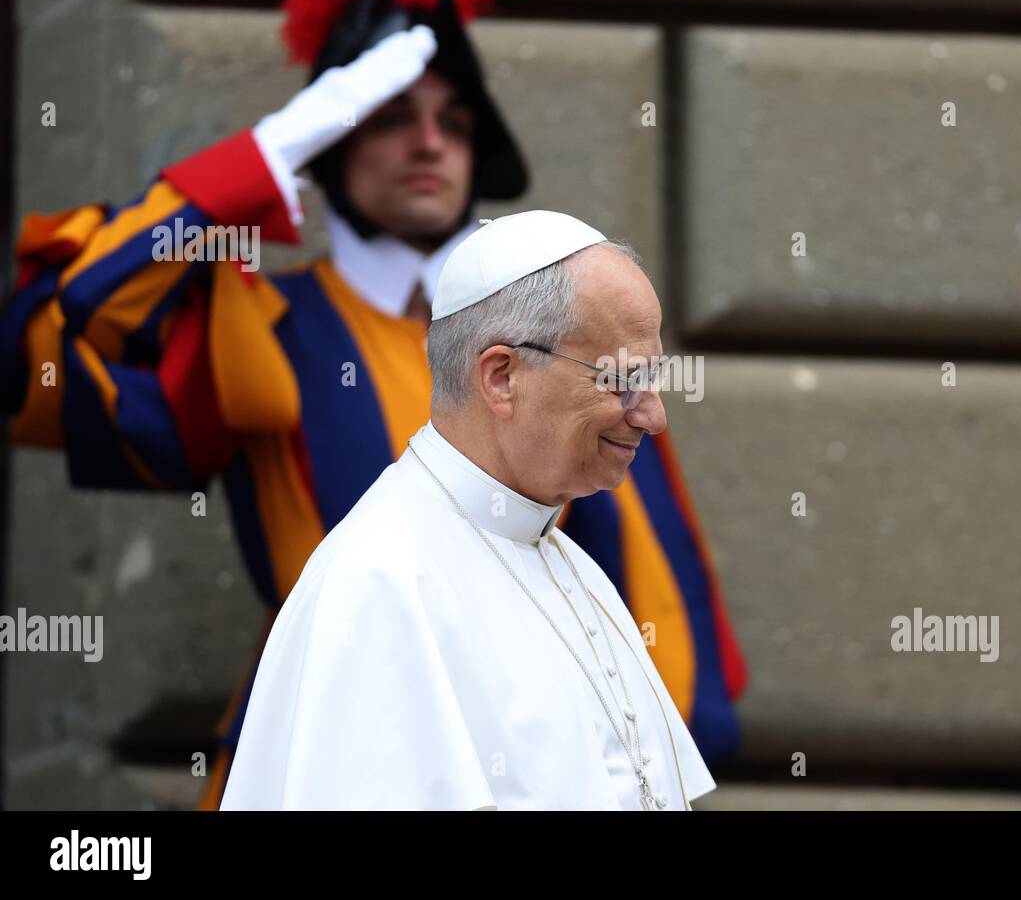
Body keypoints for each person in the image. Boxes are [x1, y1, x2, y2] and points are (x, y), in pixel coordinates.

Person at [0, 0, 746, 809]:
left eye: (454, 121)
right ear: (335, 135)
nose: (429, 141)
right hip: (341, 731)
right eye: (388, 115)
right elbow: (45, 350)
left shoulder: (578, 336)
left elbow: (650, 583)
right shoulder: (265, 325)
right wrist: (254, 164)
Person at [222, 210, 714, 810]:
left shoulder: (572, 568)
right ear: (502, 377)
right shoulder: (379, 583)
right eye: (621, 380)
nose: (653, 416)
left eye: (654, 378)